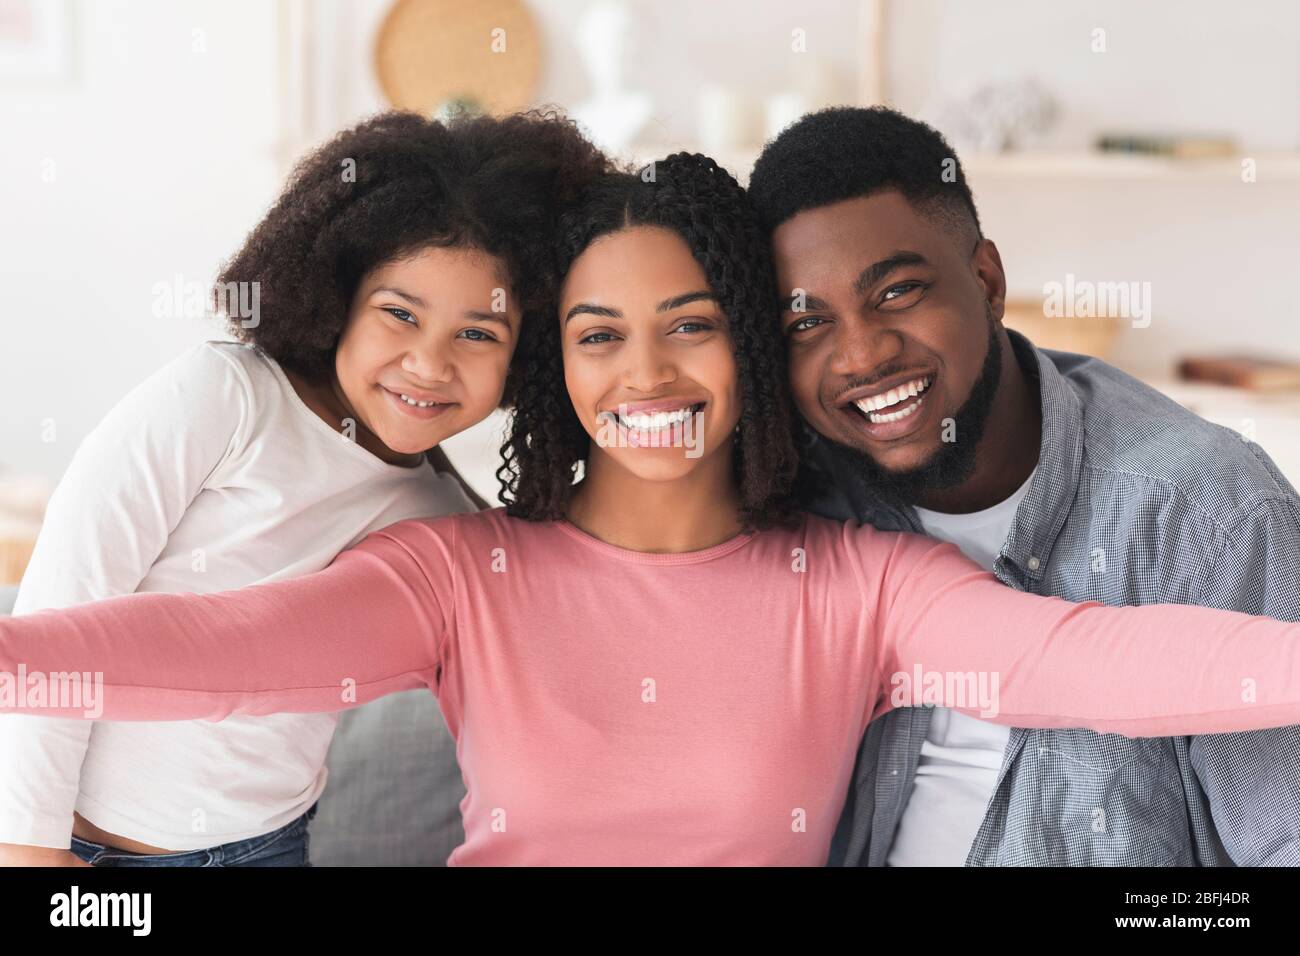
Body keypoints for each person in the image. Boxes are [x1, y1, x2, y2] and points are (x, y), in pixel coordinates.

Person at [2, 154, 1299, 866]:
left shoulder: (861, 585)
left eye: (691, 328)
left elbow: (1103, 662)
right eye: (598, 333)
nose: (649, 377)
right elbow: (214, 655)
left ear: (745, 349)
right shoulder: (459, 572)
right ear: (555, 366)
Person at [0, 108, 610, 867]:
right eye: (399, 314)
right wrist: (27, 847)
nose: (429, 363)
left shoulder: (445, 519)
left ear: (528, 358)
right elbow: (59, 607)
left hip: (265, 849)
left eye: (478, 333)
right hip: (72, 846)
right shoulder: (223, 400)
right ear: (338, 295)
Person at [748, 105, 1300, 866]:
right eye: (807, 326)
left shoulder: (1209, 515)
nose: (862, 356)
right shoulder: (799, 502)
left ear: (987, 279)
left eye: (898, 292)